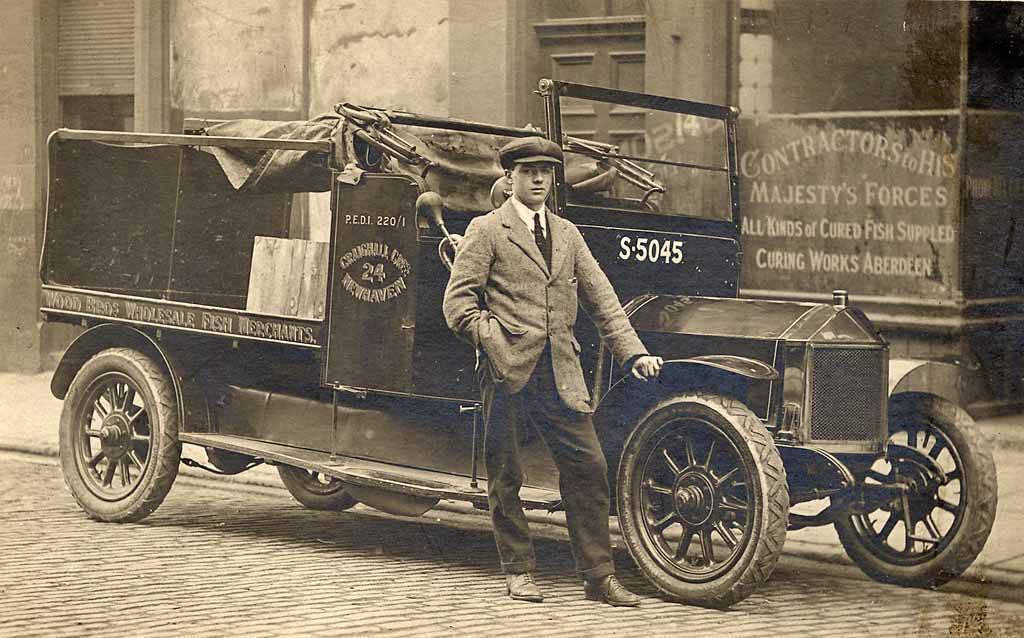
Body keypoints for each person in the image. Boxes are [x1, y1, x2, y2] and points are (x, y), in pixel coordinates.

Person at [442, 136, 663, 607]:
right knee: (506, 474)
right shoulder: (487, 229)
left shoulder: (567, 233)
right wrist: (492, 336)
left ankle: (599, 576)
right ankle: (518, 570)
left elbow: (603, 299)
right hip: (506, 369)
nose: (538, 179)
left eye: (546, 171)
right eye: (528, 172)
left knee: (589, 466)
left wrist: (634, 353)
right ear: (510, 177)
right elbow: (458, 304)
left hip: (561, 369)